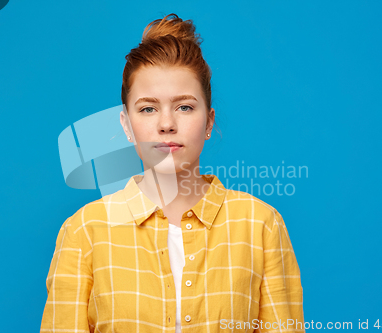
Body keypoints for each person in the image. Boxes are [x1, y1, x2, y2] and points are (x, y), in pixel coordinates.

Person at [40, 13, 304, 333]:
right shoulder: (84, 231)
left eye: (185, 107)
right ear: (126, 124)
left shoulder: (261, 226)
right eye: (148, 108)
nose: (166, 124)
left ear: (208, 122)